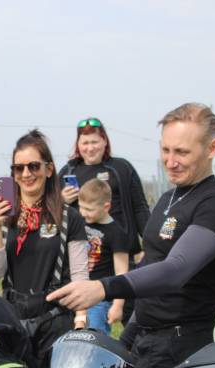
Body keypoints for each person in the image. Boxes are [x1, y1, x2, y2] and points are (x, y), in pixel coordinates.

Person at [48, 103, 215, 368]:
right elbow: (150, 264)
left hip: (181, 348)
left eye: (182, 152)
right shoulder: (169, 198)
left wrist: (102, 288)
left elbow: (176, 269)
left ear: (212, 148)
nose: (171, 161)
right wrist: (126, 340)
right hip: (146, 339)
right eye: (165, 150)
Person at [0, 129, 88, 359]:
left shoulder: (68, 217)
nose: (26, 174)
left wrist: (81, 320)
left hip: (56, 319)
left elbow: (80, 275)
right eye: (19, 168)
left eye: (34, 166)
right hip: (14, 318)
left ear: (49, 169)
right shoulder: (2, 217)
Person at [59, 117, 150, 325]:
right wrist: (62, 200)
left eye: (95, 142)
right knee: (91, 317)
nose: (90, 148)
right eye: (85, 143)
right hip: (89, 259)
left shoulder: (121, 168)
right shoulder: (69, 171)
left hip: (122, 254)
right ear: (78, 145)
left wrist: (150, 243)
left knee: (133, 316)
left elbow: (140, 207)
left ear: (104, 142)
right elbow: (53, 211)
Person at [77, 179, 129, 335]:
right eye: (80, 207)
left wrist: (118, 305)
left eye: (89, 209)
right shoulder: (80, 223)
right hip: (77, 291)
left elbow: (122, 273)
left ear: (106, 207)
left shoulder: (117, 233)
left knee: (95, 338)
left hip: (98, 298)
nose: (83, 213)